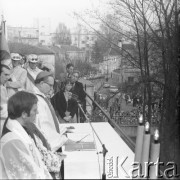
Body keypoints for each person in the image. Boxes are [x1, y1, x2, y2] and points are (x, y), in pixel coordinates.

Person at [0, 91, 52, 179]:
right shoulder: (13, 141)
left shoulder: (22, 129)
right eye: (35, 110)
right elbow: (28, 175)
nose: (38, 112)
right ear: (24, 114)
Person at [34, 71, 68, 152]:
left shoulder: (41, 97)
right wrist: (63, 141)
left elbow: (51, 120)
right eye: (50, 85)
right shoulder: (37, 101)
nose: (52, 89)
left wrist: (63, 128)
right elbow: (44, 127)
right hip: (49, 146)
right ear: (42, 83)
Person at [0, 64, 11, 136]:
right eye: (5, 74)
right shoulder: (1, 88)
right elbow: (4, 111)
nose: (8, 77)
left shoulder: (2, 87)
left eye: (8, 75)